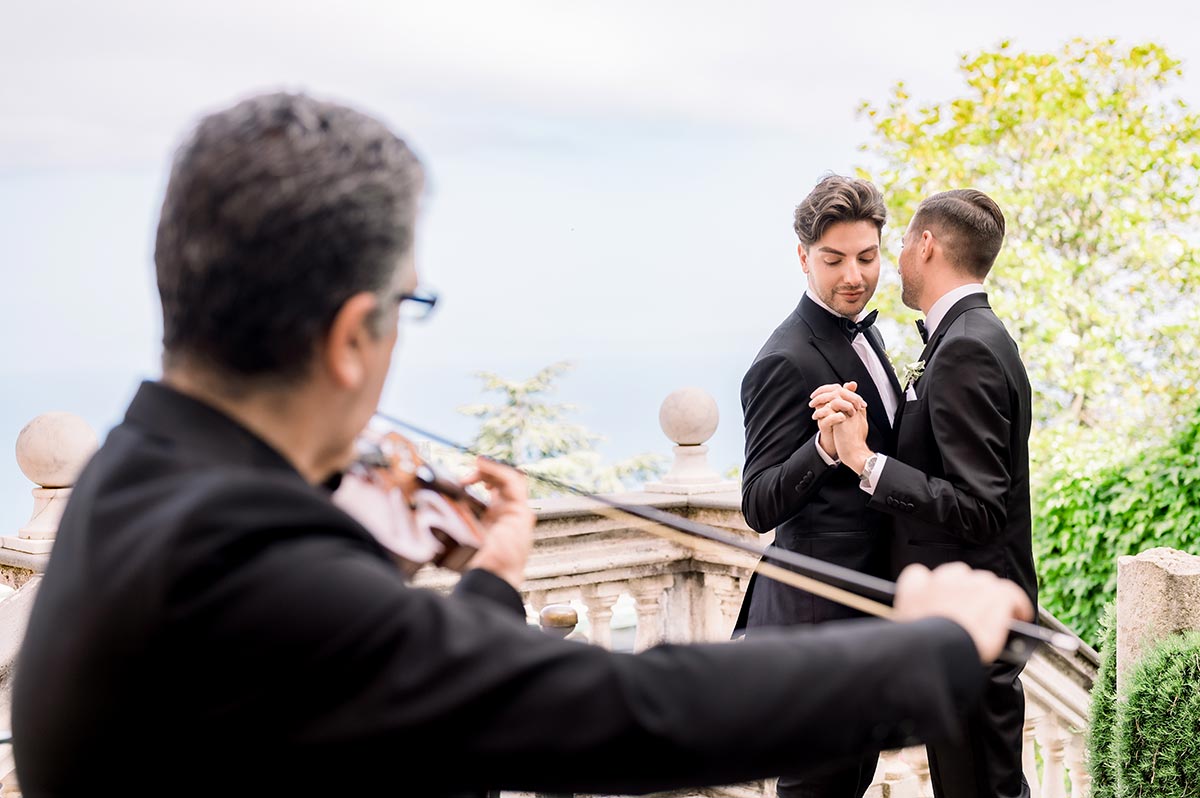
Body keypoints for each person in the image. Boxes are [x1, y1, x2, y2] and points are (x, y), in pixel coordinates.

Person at [12, 93, 1034, 798]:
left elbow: (411, 678)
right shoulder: (257, 576)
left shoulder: (129, 488)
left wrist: (493, 583)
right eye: (407, 308)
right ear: (346, 336)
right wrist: (931, 648)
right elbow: (630, 709)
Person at [814, 189, 1037, 798]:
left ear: (928, 245)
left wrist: (865, 461)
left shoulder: (966, 348)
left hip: (971, 619)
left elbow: (981, 506)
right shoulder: (972, 335)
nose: (899, 259)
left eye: (904, 243)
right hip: (965, 618)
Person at [735, 175, 902, 798]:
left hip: (868, 605)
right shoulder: (784, 360)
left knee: (851, 779)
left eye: (866, 257)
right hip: (816, 615)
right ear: (803, 257)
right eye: (833, 261)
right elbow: (758, 502)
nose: (853, 276)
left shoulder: (868, 331)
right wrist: (825, 450)